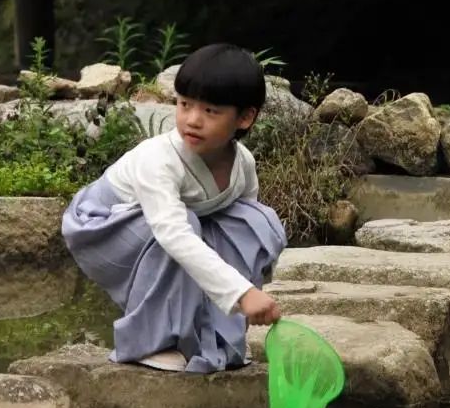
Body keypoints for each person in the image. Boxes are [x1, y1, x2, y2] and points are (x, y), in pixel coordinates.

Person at [62, 42, 286, 374]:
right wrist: (240, 292)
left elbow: (242, 237)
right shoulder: (159, 159)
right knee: (186, 228)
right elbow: (174, 234)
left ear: (245, 117)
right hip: (101, 227)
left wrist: (250, 293)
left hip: (171, 225)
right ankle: (148, 341)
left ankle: (217, 338)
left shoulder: (243, 164)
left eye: (210, 111)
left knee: (256, 221)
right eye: (184, 105)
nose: (192, 120)